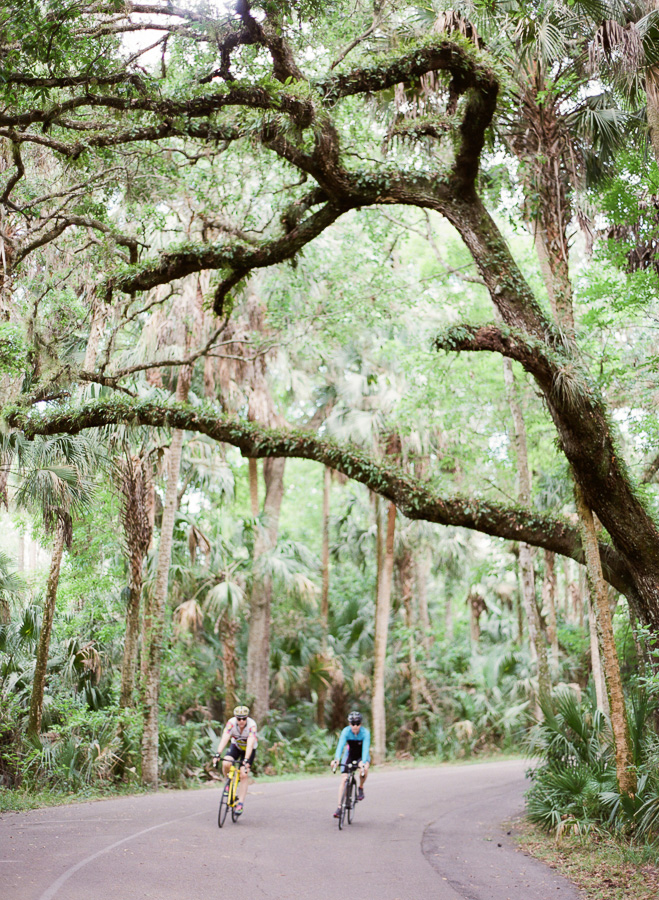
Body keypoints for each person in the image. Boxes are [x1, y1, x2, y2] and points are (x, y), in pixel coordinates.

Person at [213, 704, 258, 815]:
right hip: (236, 747)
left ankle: (240, 803)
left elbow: (250, 743)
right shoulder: (231, 723)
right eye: (239, 718)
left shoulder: (252, 725)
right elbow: (225, 737)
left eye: (244, 718)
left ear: (247, 717)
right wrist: (218, 753)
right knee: (226, 762)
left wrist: (246, 760)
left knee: (243, 773)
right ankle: (228, 783)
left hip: (249, 749)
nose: (241, 721)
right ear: (235, 717)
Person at [330, 710, 370, 818]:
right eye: (353, 724)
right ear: (349, 724)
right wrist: (336, 759)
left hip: (361, 755)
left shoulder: (365, 733)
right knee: (343, 779)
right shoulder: (346, 732)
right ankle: (339, 807)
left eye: (357, 724)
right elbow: (340, 746)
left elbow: (365, 749)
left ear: (360, 724)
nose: (355, 726)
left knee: (365, 768)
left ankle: (360, 787)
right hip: (350, 754)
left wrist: (363, 762)